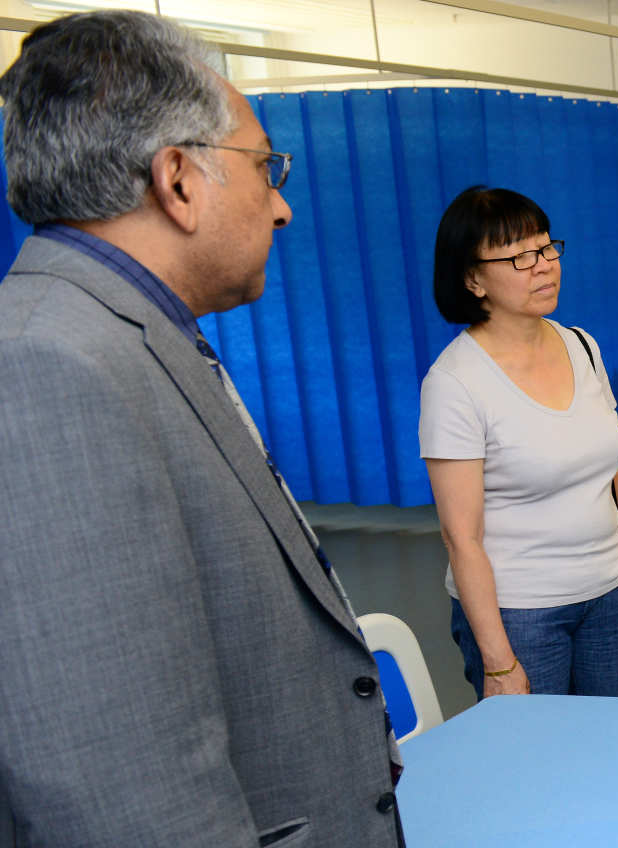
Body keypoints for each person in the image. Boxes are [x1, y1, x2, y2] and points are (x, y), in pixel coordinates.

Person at [0, 11, 403, 843]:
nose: (282, 208)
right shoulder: (46, 366)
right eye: (265, 169)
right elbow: (116, 783)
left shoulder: (126, 334)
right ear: (179, 180)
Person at [420, 186, 618, 700]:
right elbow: (460, 537)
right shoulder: (455, 382)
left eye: (548, 249)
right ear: (472, 278)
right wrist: (500, 663)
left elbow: (606, 458)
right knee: (536, 768)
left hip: (613, 592)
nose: (544, 266)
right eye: (519, 256)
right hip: (520, 615)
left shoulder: (580, 344)